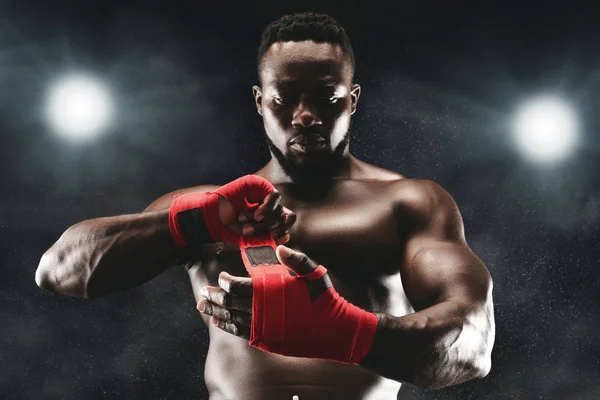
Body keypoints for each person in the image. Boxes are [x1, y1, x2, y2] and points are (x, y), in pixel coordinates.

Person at [35, 12, 495, 400]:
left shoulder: (409, 201)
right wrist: (196, 222)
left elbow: (473, 346)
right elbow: (59, 271)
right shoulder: (202, 206)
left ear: (352, 101)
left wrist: (339, 331)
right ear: (260, 101)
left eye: (326, 97)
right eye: (286, 96)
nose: (305, 115)